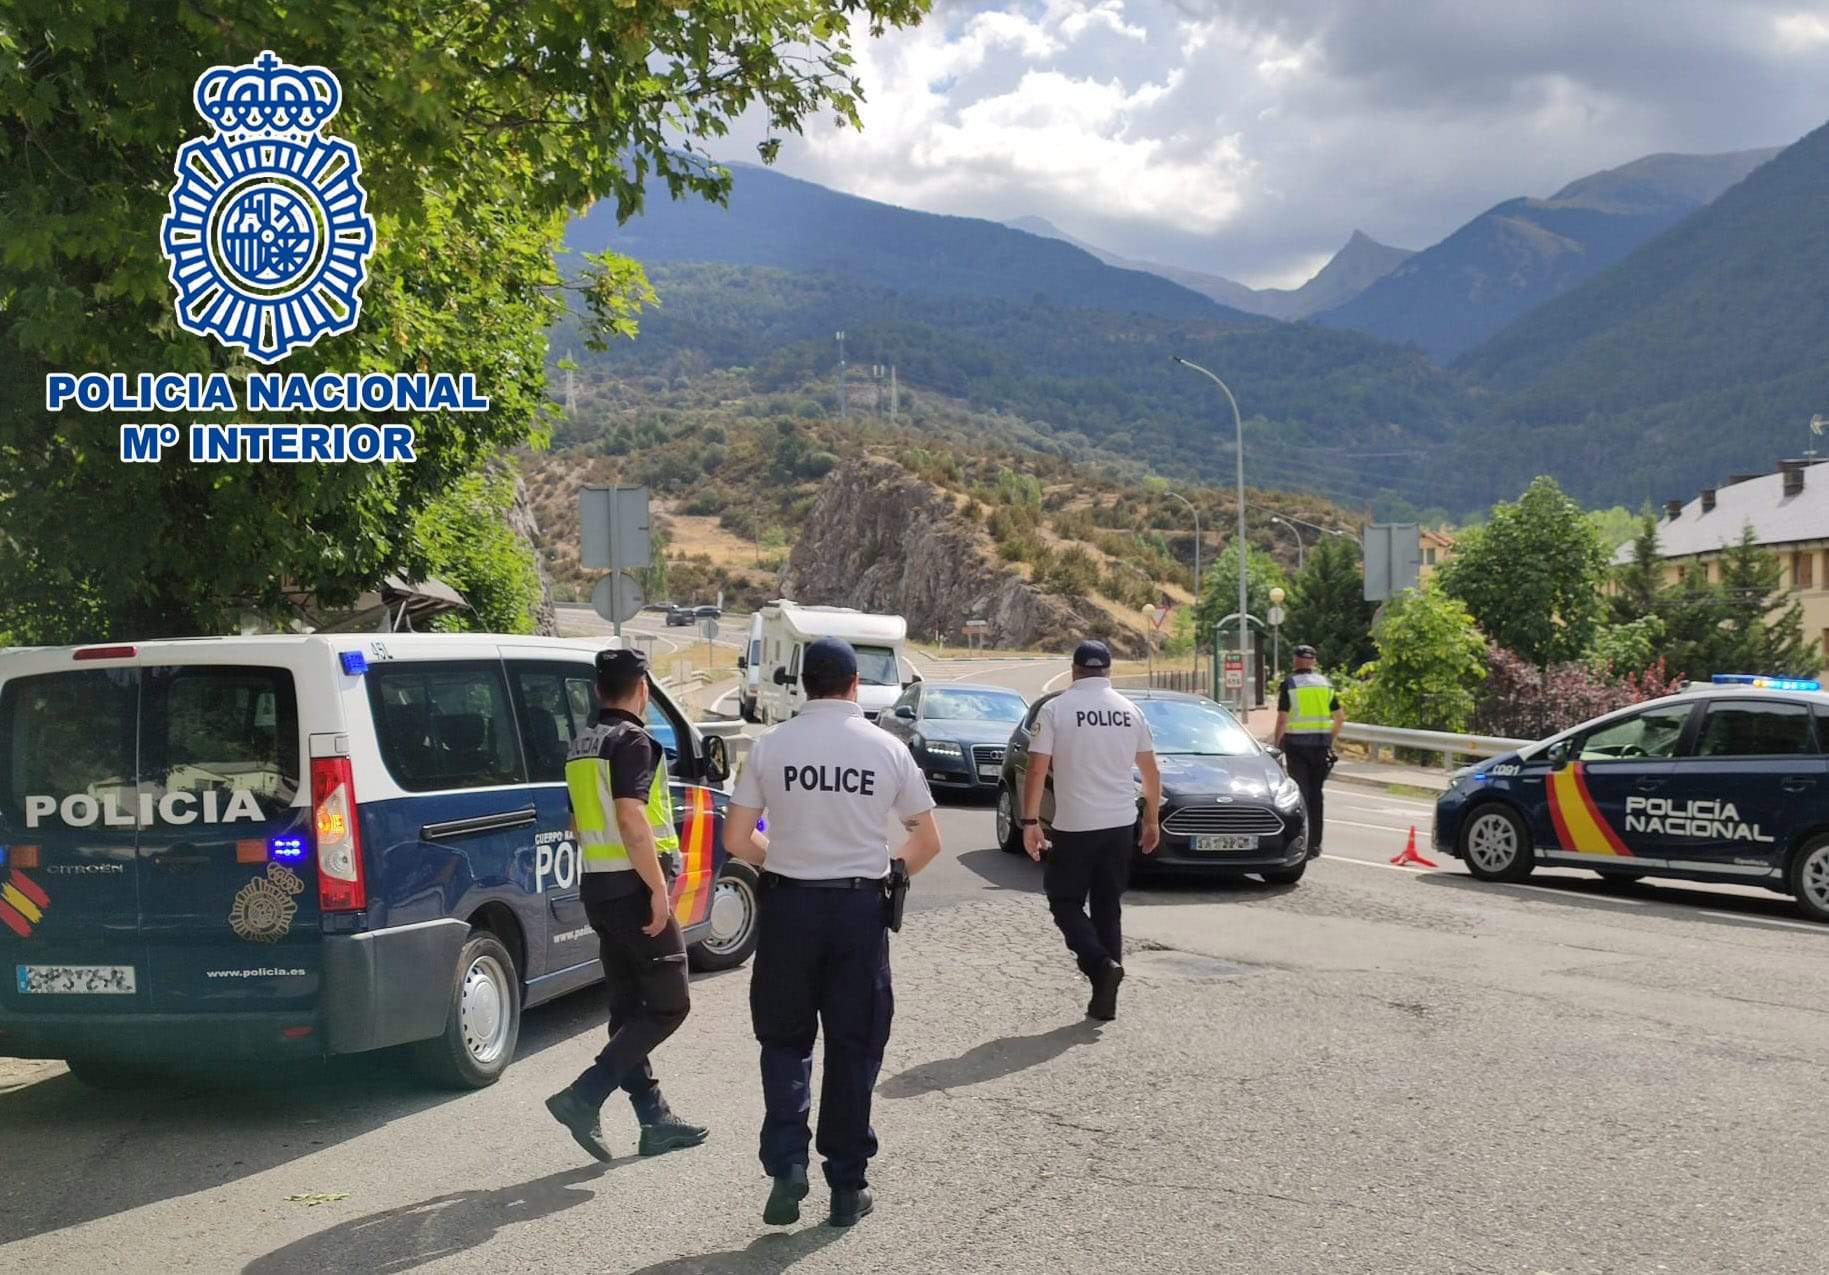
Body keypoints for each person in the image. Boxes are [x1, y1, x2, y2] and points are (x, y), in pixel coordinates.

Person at [724, 637, 944, 1229]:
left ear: (803, 684)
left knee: (785, 1041)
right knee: (854, 1047)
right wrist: (890, 874)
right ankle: (846, 1187)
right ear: (853, 686)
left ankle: (787, 1166)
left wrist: (786, 858)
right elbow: (927, 840)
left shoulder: (773, 747)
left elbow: (738, 840)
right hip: (857, 915)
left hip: (789, 911)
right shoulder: (886, 748)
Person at [545, 647, 708, 1163]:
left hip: (598, 887)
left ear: (598, 691)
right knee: (669, 1003)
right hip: (635, 889)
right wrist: (658, 889)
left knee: (627, 1007)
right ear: (643, 689)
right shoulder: (634, 740)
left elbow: (577, 823)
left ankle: (654, 1119)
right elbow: (632, 819)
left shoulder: (581, 744)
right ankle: (584, 1095)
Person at [1020, 639, 1161, 1022]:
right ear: (1108, 671)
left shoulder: (1056, 709)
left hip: (1076, 825)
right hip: (1119, 824)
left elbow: (1036, 770)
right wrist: (1151, 821)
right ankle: (1105, 1000)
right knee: (1107, 907)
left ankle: (1100, 965)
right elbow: (1150, 772)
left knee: (1064, 900)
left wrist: (1030, 822)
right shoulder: (1130, 711)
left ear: (1074, 670)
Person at [1272, 643, 1344, 853]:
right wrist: (1329, 741)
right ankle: (1315, 843)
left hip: (1296, 746)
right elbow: (1340, 718)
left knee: (1300, 794)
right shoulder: (1325, 684)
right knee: (1316, 795)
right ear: (1313, 661)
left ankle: (1298, 841)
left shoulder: (1290, 683)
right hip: (1320, 746)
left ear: (1295, 660)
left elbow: (1282, 720)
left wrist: (1276, 746)